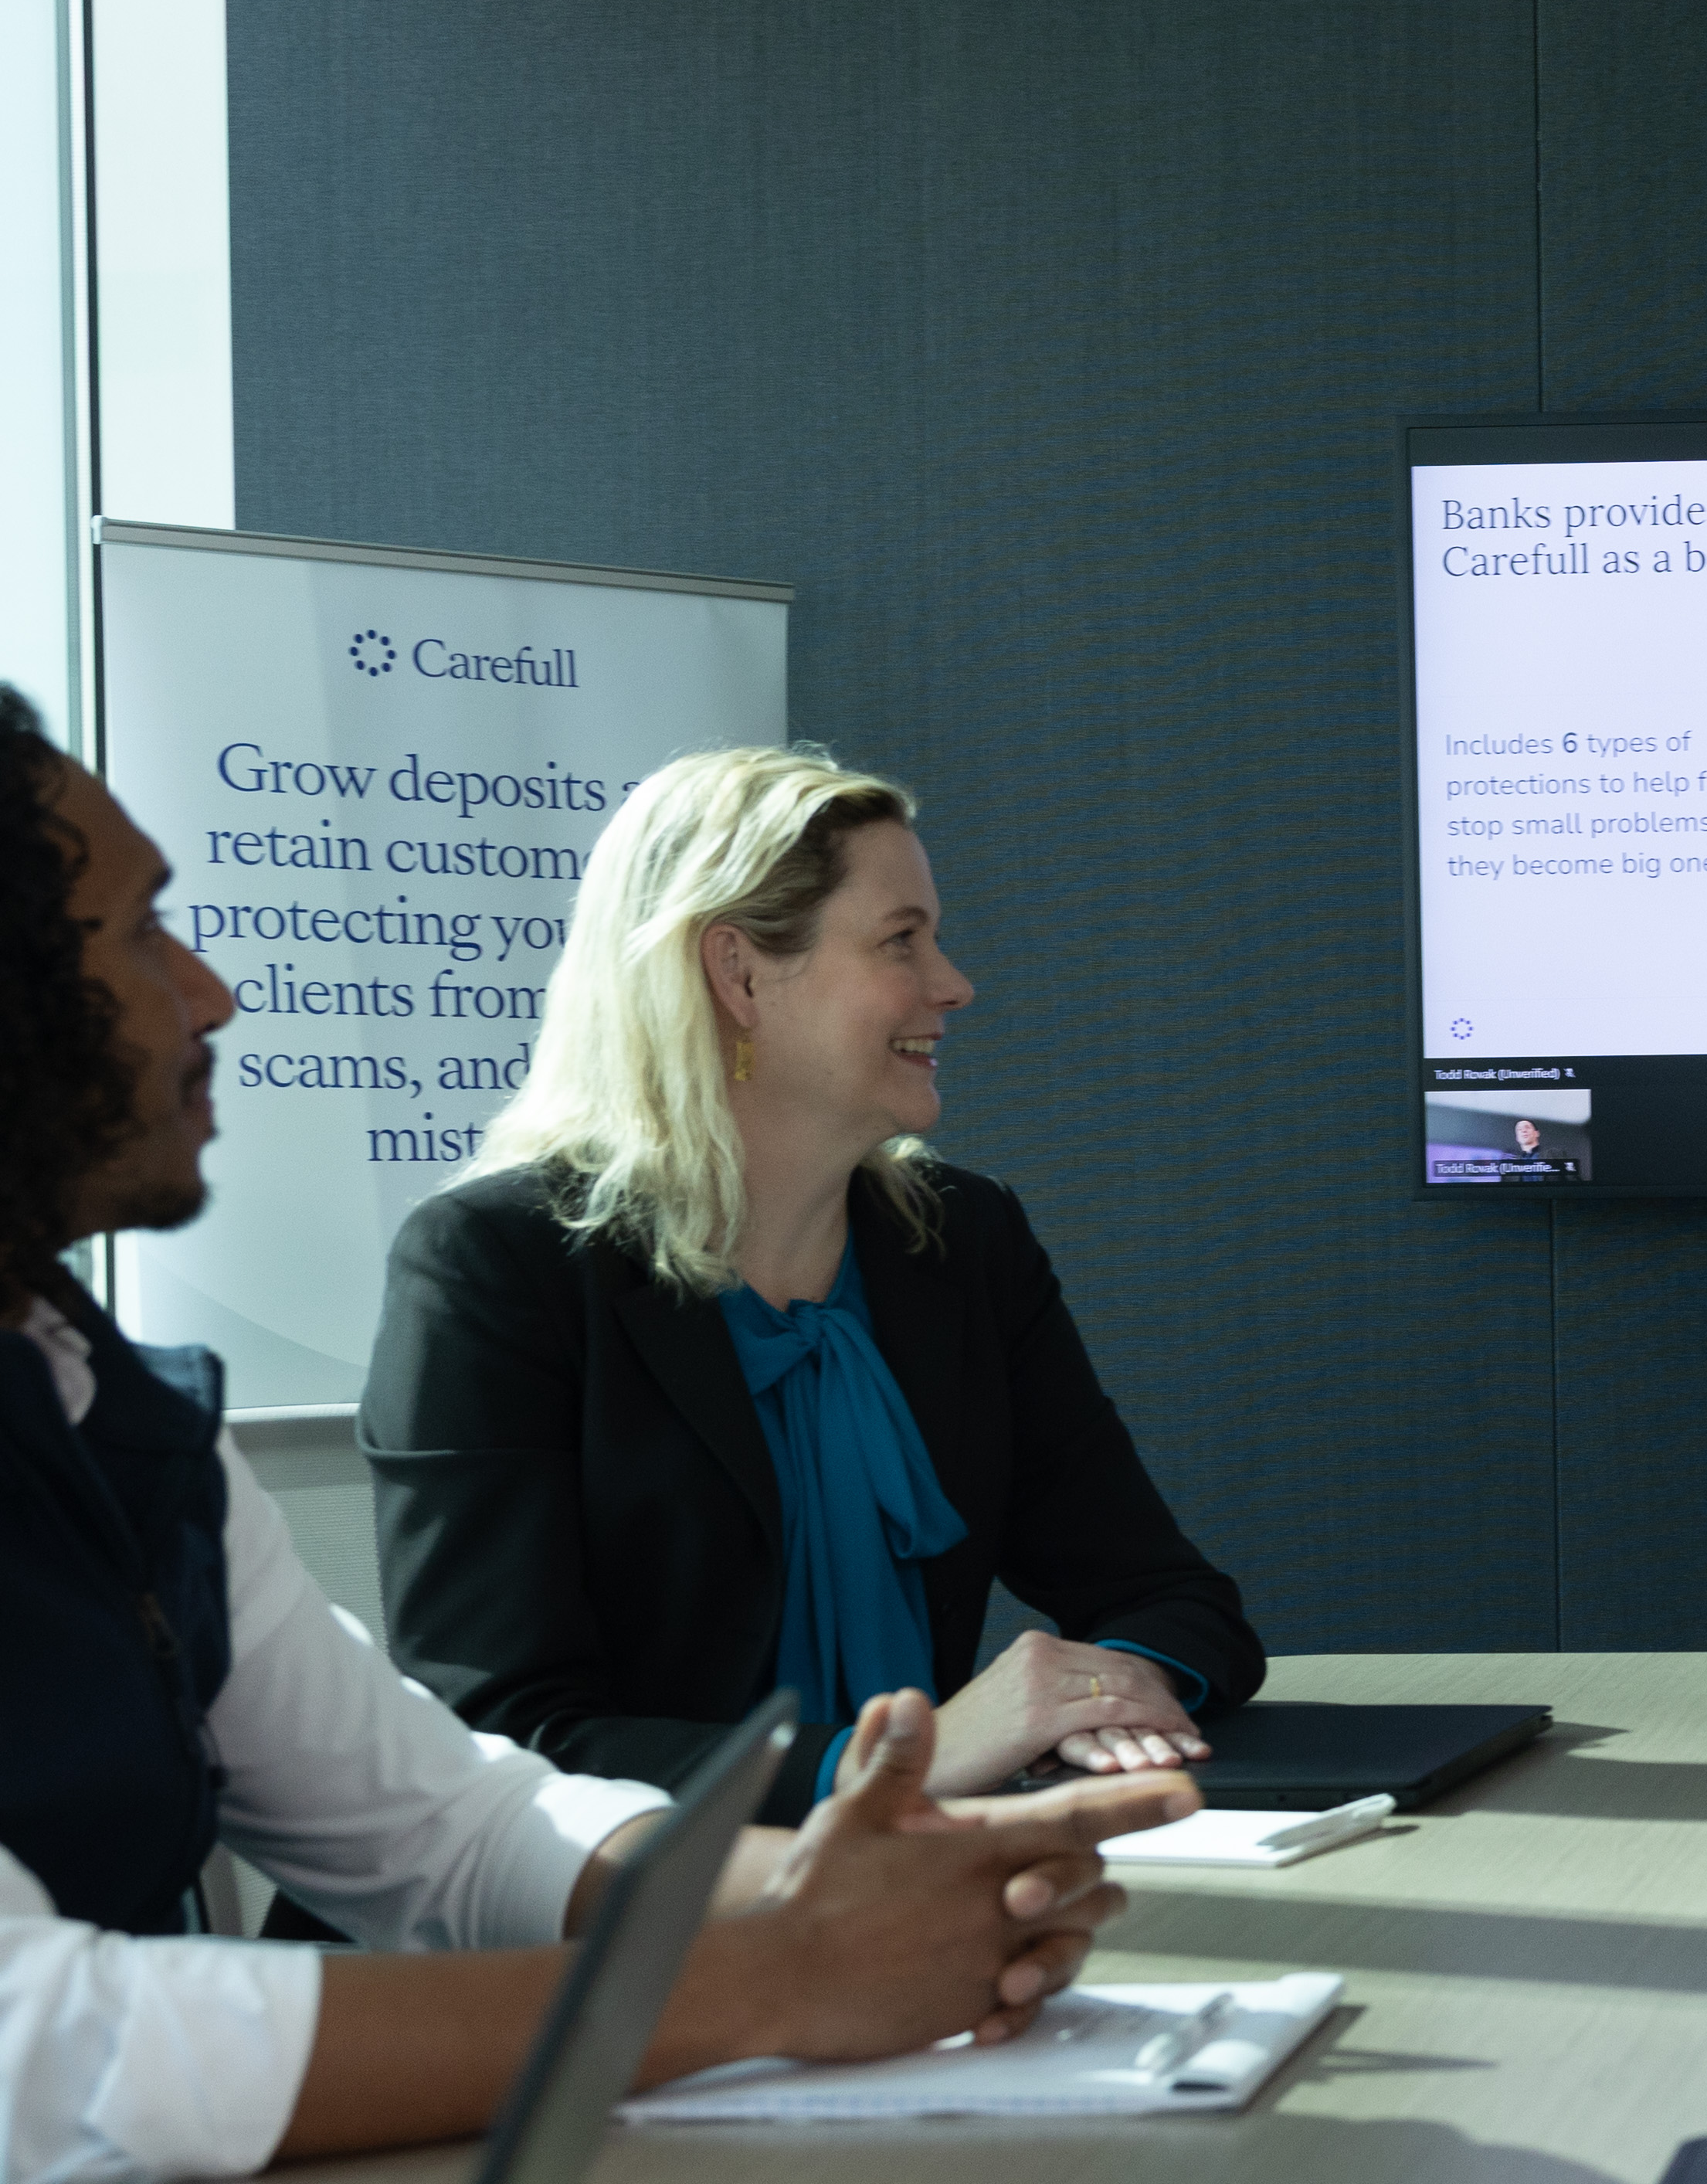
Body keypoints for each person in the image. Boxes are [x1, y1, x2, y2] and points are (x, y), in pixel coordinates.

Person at [0, 674, 1187, 2184]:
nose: (213, 991)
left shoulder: (102, 1402)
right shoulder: (473, 1267)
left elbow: (446, 1830)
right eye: (145, 930)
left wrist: (851, 1889)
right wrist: (770, 1975)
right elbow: (5, 2058)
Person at [366, 748, 1265, 1826]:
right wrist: (887, 1767)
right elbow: (506, 1736)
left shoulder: (963, 1244)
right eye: (901, 940)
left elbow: (1168, 1596)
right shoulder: (492, 1266)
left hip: (913, 1891)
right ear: (738, 974)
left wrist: (1104, 1690)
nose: (953, 983)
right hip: (617, 1935)